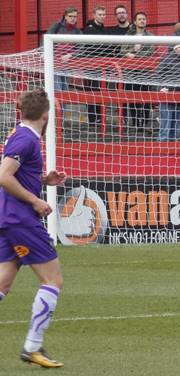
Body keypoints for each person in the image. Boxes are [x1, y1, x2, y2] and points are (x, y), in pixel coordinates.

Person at [0, 89, 69, 368]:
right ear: (46, 114)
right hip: (21, 220)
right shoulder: (25, 139)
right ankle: (32, 346)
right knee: (53, 281)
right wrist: (36, 200)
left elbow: (15, 174)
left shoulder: (21, 135)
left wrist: (42, 180)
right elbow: (3, 176)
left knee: (3, 282)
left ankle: (33, 347)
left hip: (8, 217)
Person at [120, 12, 155, 137]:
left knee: (145, 99)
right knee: (132, 99)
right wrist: (131, 51)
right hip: (130, 72)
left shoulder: (150, 36)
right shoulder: (128, 35)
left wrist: (135, 56)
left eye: (144, 19)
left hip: (145, 72)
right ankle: (135, 123)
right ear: (135, 21)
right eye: (139, 19)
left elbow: (150, 52)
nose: (142, 21)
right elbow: (122, 51)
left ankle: (145, 122)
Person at [157, 44, 180, 140]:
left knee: (177, 127)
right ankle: (162, 147)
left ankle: (174, 148)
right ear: (175, 48)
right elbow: (157, 76)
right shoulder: (166, 59)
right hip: (167, 98)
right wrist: (160, 88)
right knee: (166, 125)